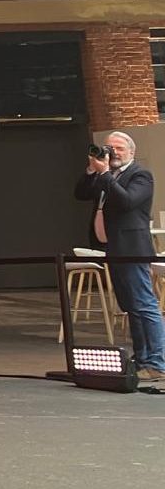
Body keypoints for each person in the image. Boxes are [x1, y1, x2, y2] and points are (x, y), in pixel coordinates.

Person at [75, 131, 163, 382]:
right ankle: (142, 359)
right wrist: (92, 170)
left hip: (132, 249)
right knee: (131, 307)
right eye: (109, 147)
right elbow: (80, 193)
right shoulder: (106, 176)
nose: (113, 152)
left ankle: (158, 362)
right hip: (113, 249)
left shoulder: (140, 175)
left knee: (144, 305)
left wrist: (104, 173)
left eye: (119, 148)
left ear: (131, 152)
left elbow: (126, 202)